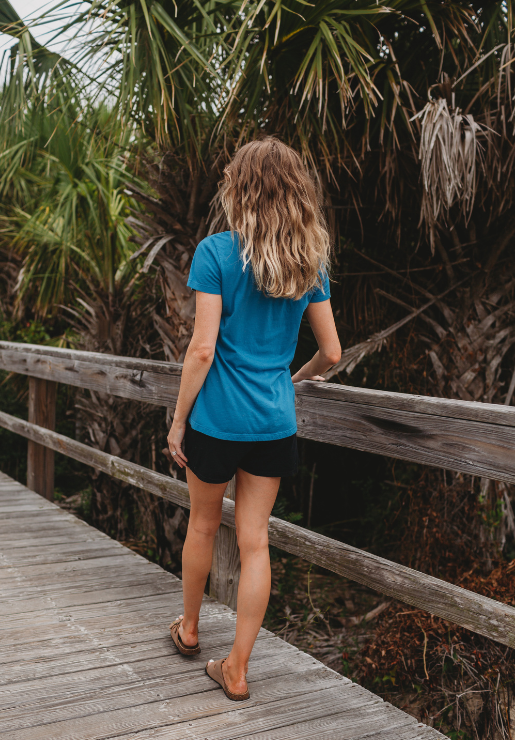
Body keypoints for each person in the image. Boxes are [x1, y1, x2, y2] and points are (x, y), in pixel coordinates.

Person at [166, 137, 342, 701]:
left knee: (201, 525)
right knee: (255, 543)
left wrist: (176, 423)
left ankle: (190, 631)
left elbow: (201, 350)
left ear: (237, 188)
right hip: (273, 424)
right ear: (296, 190)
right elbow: (333, 354)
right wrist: (290, 380)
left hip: (216, 422)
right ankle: (237, 667)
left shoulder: (215, 253)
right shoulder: (307, 261)